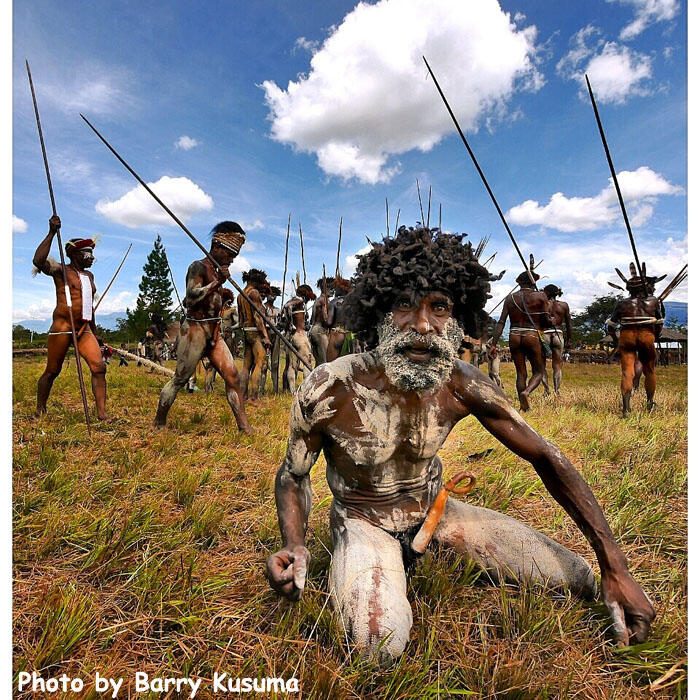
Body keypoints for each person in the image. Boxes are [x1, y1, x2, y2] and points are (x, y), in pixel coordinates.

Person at [266, 226, 653, 663]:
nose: (422, 325)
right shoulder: (331, 387)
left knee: (580, 578)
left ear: (459, 318)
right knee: (378, 647)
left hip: (437, 512)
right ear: (377, 312)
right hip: (362, 522)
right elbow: (293, 475)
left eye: (440, 307)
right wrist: (294, 543)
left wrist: (614, 565)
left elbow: (546, 456)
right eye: (404, 305)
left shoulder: (461, 383)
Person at [154, 221, 252, 432]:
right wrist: (218, 284)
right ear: (217, 246)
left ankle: (243, 426)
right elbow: (190, 298)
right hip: (194, 331)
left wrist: (221, 289)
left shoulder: (218, 271)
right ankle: (159, 421)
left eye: (235, 255)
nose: (232, 259)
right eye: (230, 253)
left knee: (233, 377)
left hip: (214, 332)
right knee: (180, 379)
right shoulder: (198, 267)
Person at [33, 215, 109, 420]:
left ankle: (102, 414)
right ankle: (40, 409)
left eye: (92, 254)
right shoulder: (62, 272)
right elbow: (38, 261)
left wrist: (95, 332)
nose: (92, 257)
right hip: (62, 327)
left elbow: (89, 307)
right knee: (52, 371)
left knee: (99, 368)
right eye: (88, 253)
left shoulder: (89, 277)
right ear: (75, 254)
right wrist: (51, 232)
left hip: (83, 330)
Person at [490, 257, 552, 411]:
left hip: (514, 336)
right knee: (539, 370)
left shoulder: (510, 298)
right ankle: (527, 392)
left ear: (519, 282)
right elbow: (546, 321)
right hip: (531, 335)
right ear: (534, 282)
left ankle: (523, 408)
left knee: (521, 372)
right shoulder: (541, 297)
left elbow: (501, 322)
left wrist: (493, 344)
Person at [606, 264, 665, 416]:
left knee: (627, 371)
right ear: (643, 288)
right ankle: (650, 403)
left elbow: (611, 326)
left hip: (627, 337)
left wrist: (615, 340)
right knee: (650, 370)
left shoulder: (622, 303)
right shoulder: (653, 301)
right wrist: (655, 336)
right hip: (646, 336)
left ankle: (626, 409)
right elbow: (659, 323)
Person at [237, 269, 272, 401]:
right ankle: (253, 397)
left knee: (246, 366)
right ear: (255, 281)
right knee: (260, 362)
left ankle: (242, 396)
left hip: (246, 331)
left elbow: (240, 320)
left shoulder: (240, 295)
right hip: (255, 332)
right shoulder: (254, 293)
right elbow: (258, 318)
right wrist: (265, 337)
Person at [281, 284, 316, 392]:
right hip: (299, 336)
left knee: (292, 364)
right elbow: (287, 307)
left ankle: (292, 391)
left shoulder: (298, 302)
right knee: (307, 362)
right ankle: (306, 390)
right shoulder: (299, 300)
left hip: (293, 336)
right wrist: (291, 324)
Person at [543, 284, 572, 394]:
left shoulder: (543, 305)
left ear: (546, 293)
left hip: (544, 334)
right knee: (557, 365)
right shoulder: (564, 305)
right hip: (558, 335)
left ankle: (546, 391)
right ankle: (557, 391)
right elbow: (569, 324)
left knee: (541, 364)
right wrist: (569, 339)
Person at [259, 286, 282, 394]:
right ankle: (261, 390)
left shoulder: (278, 310)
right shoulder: (262, 308)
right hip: (265, 335)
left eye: (275, 295)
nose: (272, 297)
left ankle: (276, 389)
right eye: (271, 294)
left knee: (275, 363)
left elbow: (282, 323)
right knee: (263, 363)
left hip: (276, 335)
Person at [325, 276, 353, 361]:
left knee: (331, 364)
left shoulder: (334, 302)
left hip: (336, 335)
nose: (335, 291)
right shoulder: (352, 302)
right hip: (348, 336)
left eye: (336, 288)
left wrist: (324, 322)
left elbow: (329, 322)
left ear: (341, 289)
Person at [309, 276, 333, 366]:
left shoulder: (317, 300)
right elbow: (325, 319)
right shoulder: (324, 300)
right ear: (325, 288)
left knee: (319, 362)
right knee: (325, 361)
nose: (333, 291)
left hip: (314, 330)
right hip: (320, 331)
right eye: (331, 288)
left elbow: (311, 320)